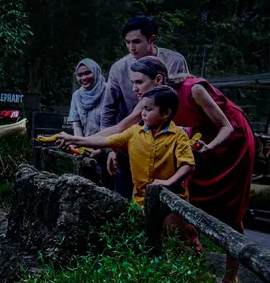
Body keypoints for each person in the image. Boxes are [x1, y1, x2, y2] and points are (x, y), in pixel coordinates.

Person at [76, 55, 257, 283]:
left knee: (231, 210)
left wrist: (210, 148)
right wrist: (80, 141)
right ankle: (188, 264)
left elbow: (227, 126)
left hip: (230, 142)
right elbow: (122, 128)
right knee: (186, 202)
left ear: (158, 79)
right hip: (197, 143)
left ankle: (231, 277)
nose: (134, 88)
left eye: (139, 82)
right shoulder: (149, 100)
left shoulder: (194, 90)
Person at [61, 85, 201, 252]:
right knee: (146, 243)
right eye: (142, 108)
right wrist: (74, 139)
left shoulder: (178, 135)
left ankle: (197, 272)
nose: (143, 113)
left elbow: (188, 164)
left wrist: (169, 182)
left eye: (148, 109)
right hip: (140, 202)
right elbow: (106, 141)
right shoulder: (134, 132)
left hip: (172, 202)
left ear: (165, 113)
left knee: (182, 243)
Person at [99, 16, 189, 199]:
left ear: (152, 39)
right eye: (127, 42)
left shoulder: (174, 62)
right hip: (131, 143)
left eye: (137, 42)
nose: (132, 48)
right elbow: (108, 112)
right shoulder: (118, 69)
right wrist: (112, 150)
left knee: (169, 201)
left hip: (167, 145)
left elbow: (185, 99)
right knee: (127, 200)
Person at [65, 58, 106, 137]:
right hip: (86, 144)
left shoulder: (109, 91)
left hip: (109, 144)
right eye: (79, 75)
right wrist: (79, 144)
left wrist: (102, 147)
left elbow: (115, 124)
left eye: (87, 73)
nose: (83, 78)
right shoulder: (77, 96)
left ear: (96, 72)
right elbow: (77, 125)